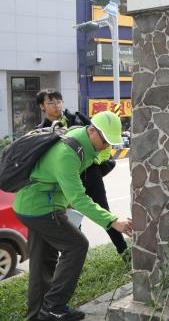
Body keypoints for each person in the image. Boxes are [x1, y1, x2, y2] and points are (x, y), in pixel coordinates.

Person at [13, 111, 133, 321]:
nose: (106, 146)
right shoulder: (68, 153)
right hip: (40, 207)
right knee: (77, 245)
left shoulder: (83, 137)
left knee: (43, 262)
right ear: (92, 130)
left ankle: (38, 315)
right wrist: (113, 221)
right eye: (104, 140)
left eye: (110, 143)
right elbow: (78, 198)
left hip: (36, 204)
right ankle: (54, 306)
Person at [36, 89, 127, 256]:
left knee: (104, 212)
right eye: (51, 103)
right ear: (42, 106)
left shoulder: (75, 118)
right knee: (71, 221)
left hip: (90, 175)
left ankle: (124, 252)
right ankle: (73, 258)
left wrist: (93, 161)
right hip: (65, 181)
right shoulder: (41, 131)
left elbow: (105, 146)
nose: (56, 106)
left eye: (59, 102)